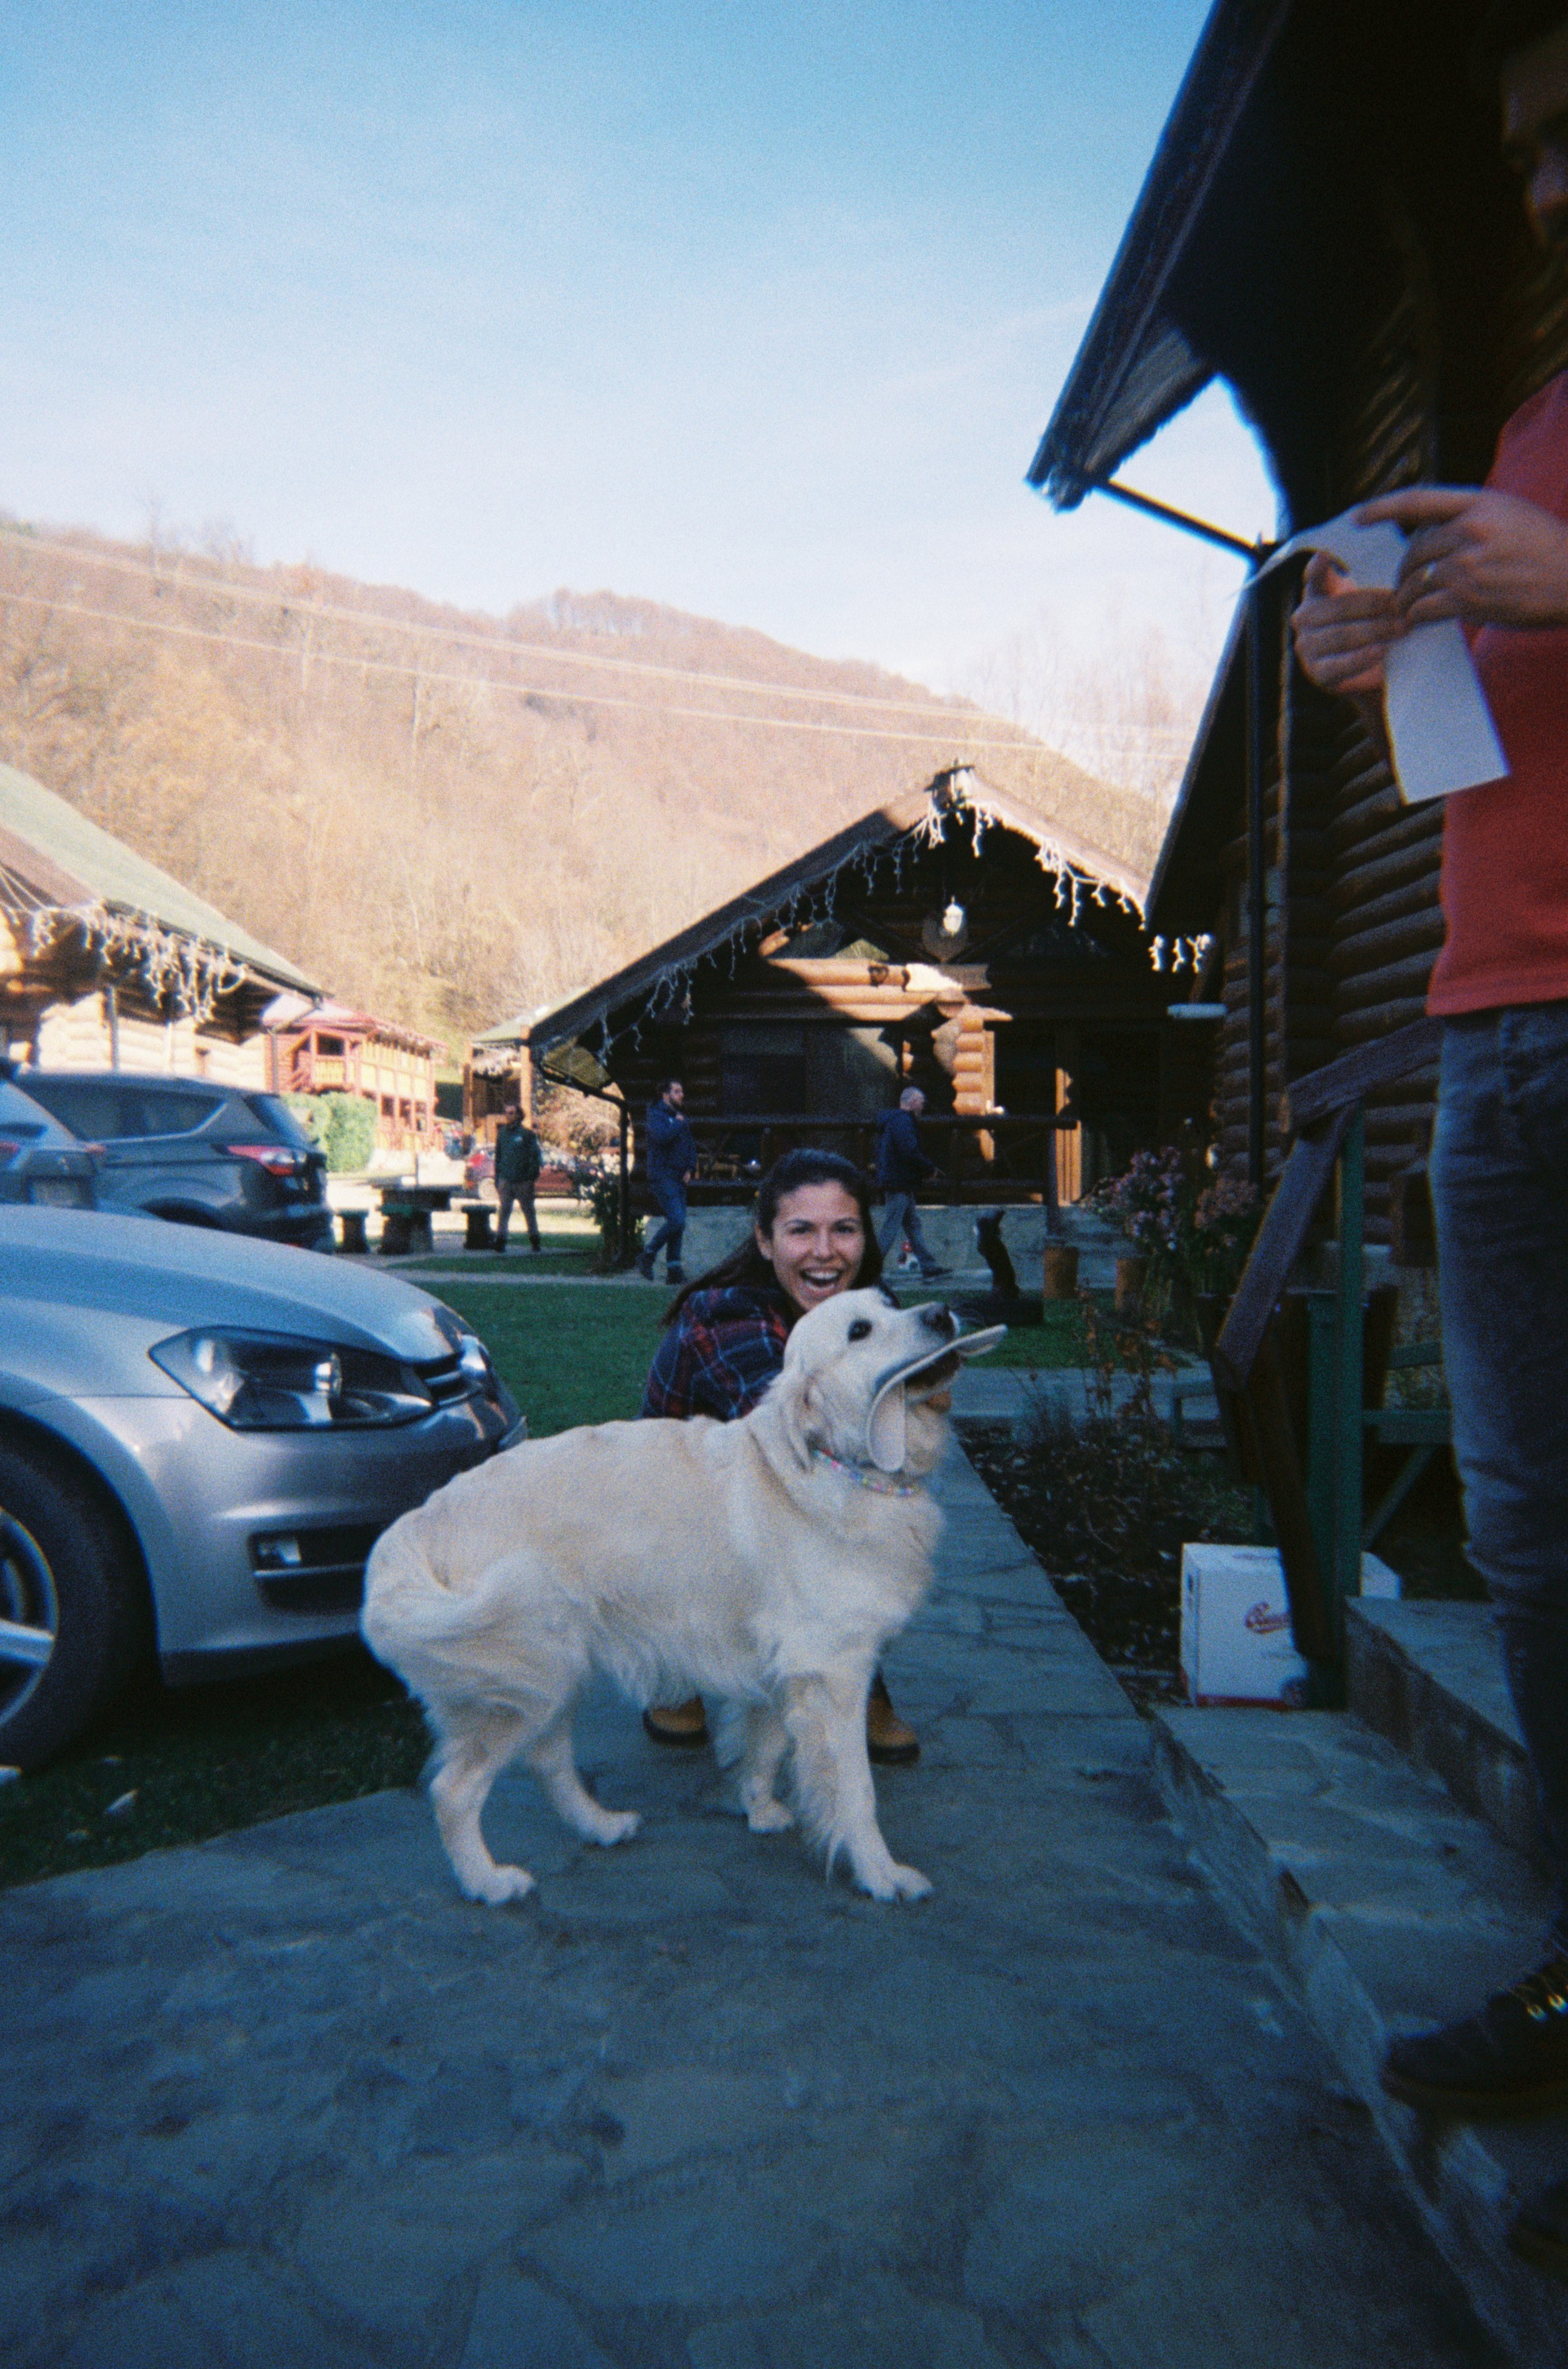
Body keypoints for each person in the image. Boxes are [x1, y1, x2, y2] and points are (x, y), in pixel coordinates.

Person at [1292, 0, 1568, 2269]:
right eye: (1526, 152)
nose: (1543, 195)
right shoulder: (1539, 421)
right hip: (1490, 1022)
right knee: (1533, 1535)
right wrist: (1384, 650)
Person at [639, 1146, 922, 1764]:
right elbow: (809, 1448)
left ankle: (851, 1668)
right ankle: (674, 1662)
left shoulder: (870, 1306)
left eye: (844, 1229)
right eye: (801, 1231)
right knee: (823, 1510)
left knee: (880, 1510)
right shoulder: (729, 1315)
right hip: (678, 1509)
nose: (825, 1251)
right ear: (765, 1240)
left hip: (761, 1485)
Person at [875, 1087, 947, 1280]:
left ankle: (929, 1266)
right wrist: (929, 1169)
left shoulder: (894, 1121)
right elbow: (909, 1152)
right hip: (899, 1182)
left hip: (899, 1181)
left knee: (912, 1225)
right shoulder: (903, 1121)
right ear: (912, 1102)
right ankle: (869, 1270)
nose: (923, 1105)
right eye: (921, 1101)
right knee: (891, 1226)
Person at [637, 1077, 695, 1284]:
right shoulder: (656, 1115)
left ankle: (674, 1270)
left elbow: (690, 1144)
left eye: (682, 1091)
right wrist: (677, 1124)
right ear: (665, 1095)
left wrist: (690, 1168)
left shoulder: (679, 1117)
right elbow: (662, 1138)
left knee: (679, 1224)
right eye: (677, 1091)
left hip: (679, 1177)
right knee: (676, 1219)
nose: (682, 1095)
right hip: (662, 1176)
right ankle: (648, 1255)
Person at [492, 1101, 541, 1253]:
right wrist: (498, 1178)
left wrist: (531, 1177)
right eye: (506, 1113)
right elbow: (498, 1156)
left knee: (528, 1212)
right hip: (506, 1180)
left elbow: (535, 1156)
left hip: (523, 1181)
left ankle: (534, 1239)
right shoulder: (502, 1134)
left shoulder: (527, 1134)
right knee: (504, 1211)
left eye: (511, 1113)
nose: (508, 1116)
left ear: (518, 1115)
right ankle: (501, 1241)